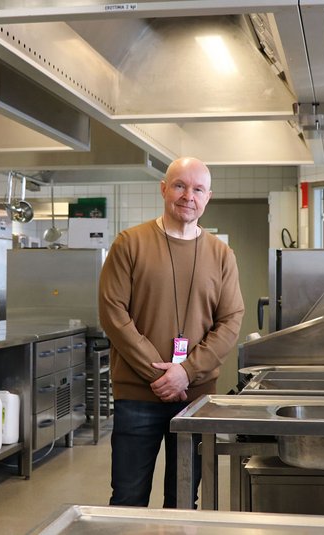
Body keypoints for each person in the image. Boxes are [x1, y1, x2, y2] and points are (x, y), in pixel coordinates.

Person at [98, 156, 245, 508]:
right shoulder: (129, 244)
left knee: (183, 500)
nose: (187, 196)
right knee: (128, 497)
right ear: (163, 189)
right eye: (179, 185)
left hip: (195, 399)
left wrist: (186, 372)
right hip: (138, 396)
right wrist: (160, 374)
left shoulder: (221, 254)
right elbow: (112, 313)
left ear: (208, 197)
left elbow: (231, 320)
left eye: (197, 189)